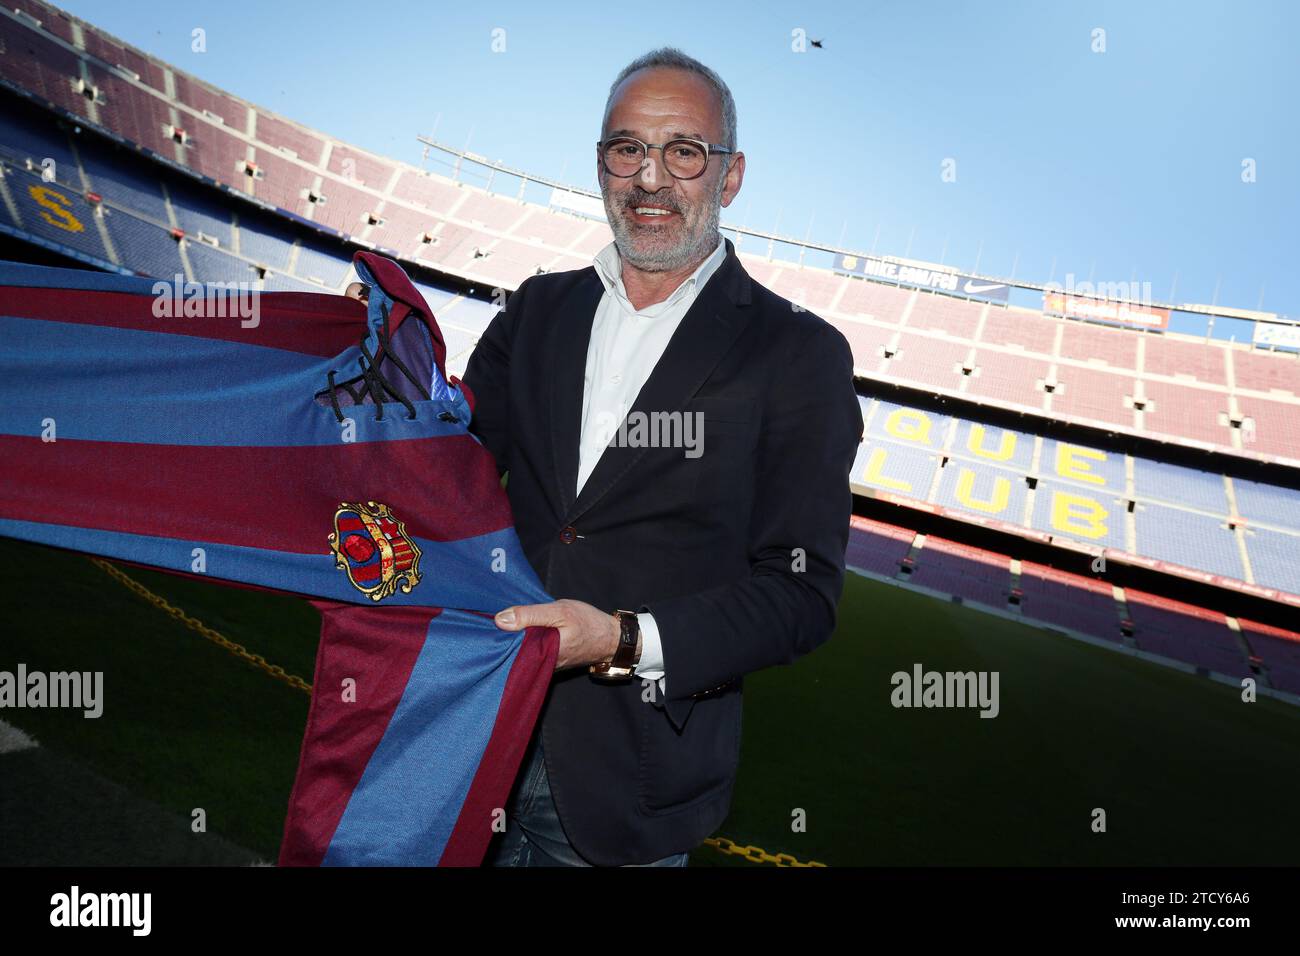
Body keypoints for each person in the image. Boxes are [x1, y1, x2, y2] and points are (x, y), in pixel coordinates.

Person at [458, 47, 863, 867]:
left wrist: (619, 639)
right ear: (601, 164)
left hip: (629, 780)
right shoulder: (536, 309)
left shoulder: (797, 354)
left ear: (731, 175)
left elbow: (801, 593)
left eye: (684, 151)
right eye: (627, 149)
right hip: (470, 729)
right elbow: (452, 474)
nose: (650, 179)